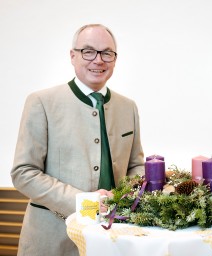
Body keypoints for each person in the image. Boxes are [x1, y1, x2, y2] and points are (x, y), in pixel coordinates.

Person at [11, 24, 145, 255]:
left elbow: (136, 165)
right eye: (88, 51)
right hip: (54, 241)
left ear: (115, 59)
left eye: (107, 53)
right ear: (73, 56)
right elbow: (24, 172)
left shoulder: (128, 107)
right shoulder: (41, 102)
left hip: (115, 239)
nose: (98, 60)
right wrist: (84, 202)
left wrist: (125, 196)